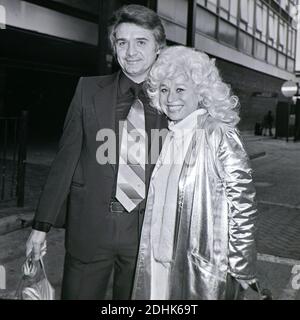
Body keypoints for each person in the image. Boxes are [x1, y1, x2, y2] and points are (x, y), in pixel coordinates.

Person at [25, 4, 168, 300]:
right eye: (122, 42)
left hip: (148, 236)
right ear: (114, 48)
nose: (131, 52)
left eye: (141, 42)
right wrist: (41, 227)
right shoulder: (87, 90)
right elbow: (65, 162)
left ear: (158, 47)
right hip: (90, 229)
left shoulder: (176, 100)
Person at [132, 46, 258, 300]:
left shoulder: (218, 134)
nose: (170, 98)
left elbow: (242, 206)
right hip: (159, 262)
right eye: (164, 90)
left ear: (201, 93)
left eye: (180, 89)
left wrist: (243, 270)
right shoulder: (171, 135)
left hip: (200, 270)